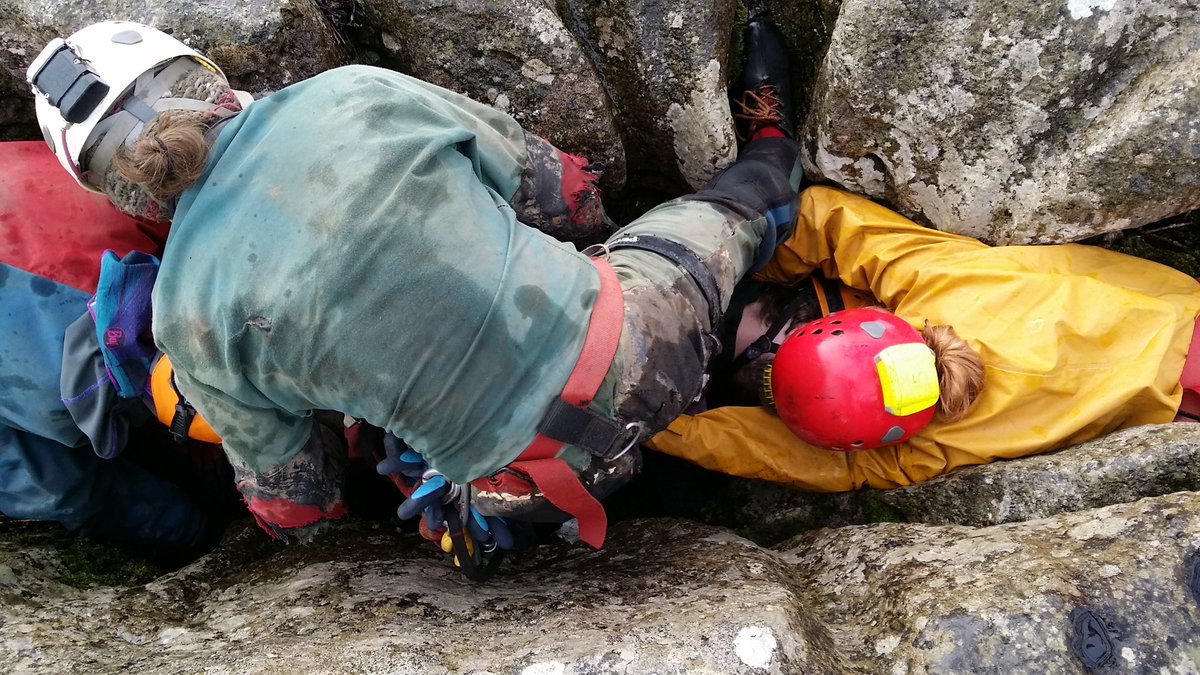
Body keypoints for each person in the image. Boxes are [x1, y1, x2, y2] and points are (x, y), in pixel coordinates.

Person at [26, 17, 804, 551]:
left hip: (531, 483)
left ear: (121, 192)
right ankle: (772, 136)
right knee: (745, 200)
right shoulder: (349, 94)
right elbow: (565, 194)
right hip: (642, 337)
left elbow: (297, 496)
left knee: (428, 473)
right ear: (200, 75)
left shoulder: (181, 317)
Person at [646, 185, 1200, 491]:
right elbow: (827, 219)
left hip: (1172, 390)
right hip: (1179, 319)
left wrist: (654, 423)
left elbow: (806, 461)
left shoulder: (922, 449)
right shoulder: (942, 289)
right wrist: (765, 264)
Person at [0, 140, 233, 558]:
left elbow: (53, 487)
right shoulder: (45, 160)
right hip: (191, 323)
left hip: (104, 393)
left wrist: (190, 534)